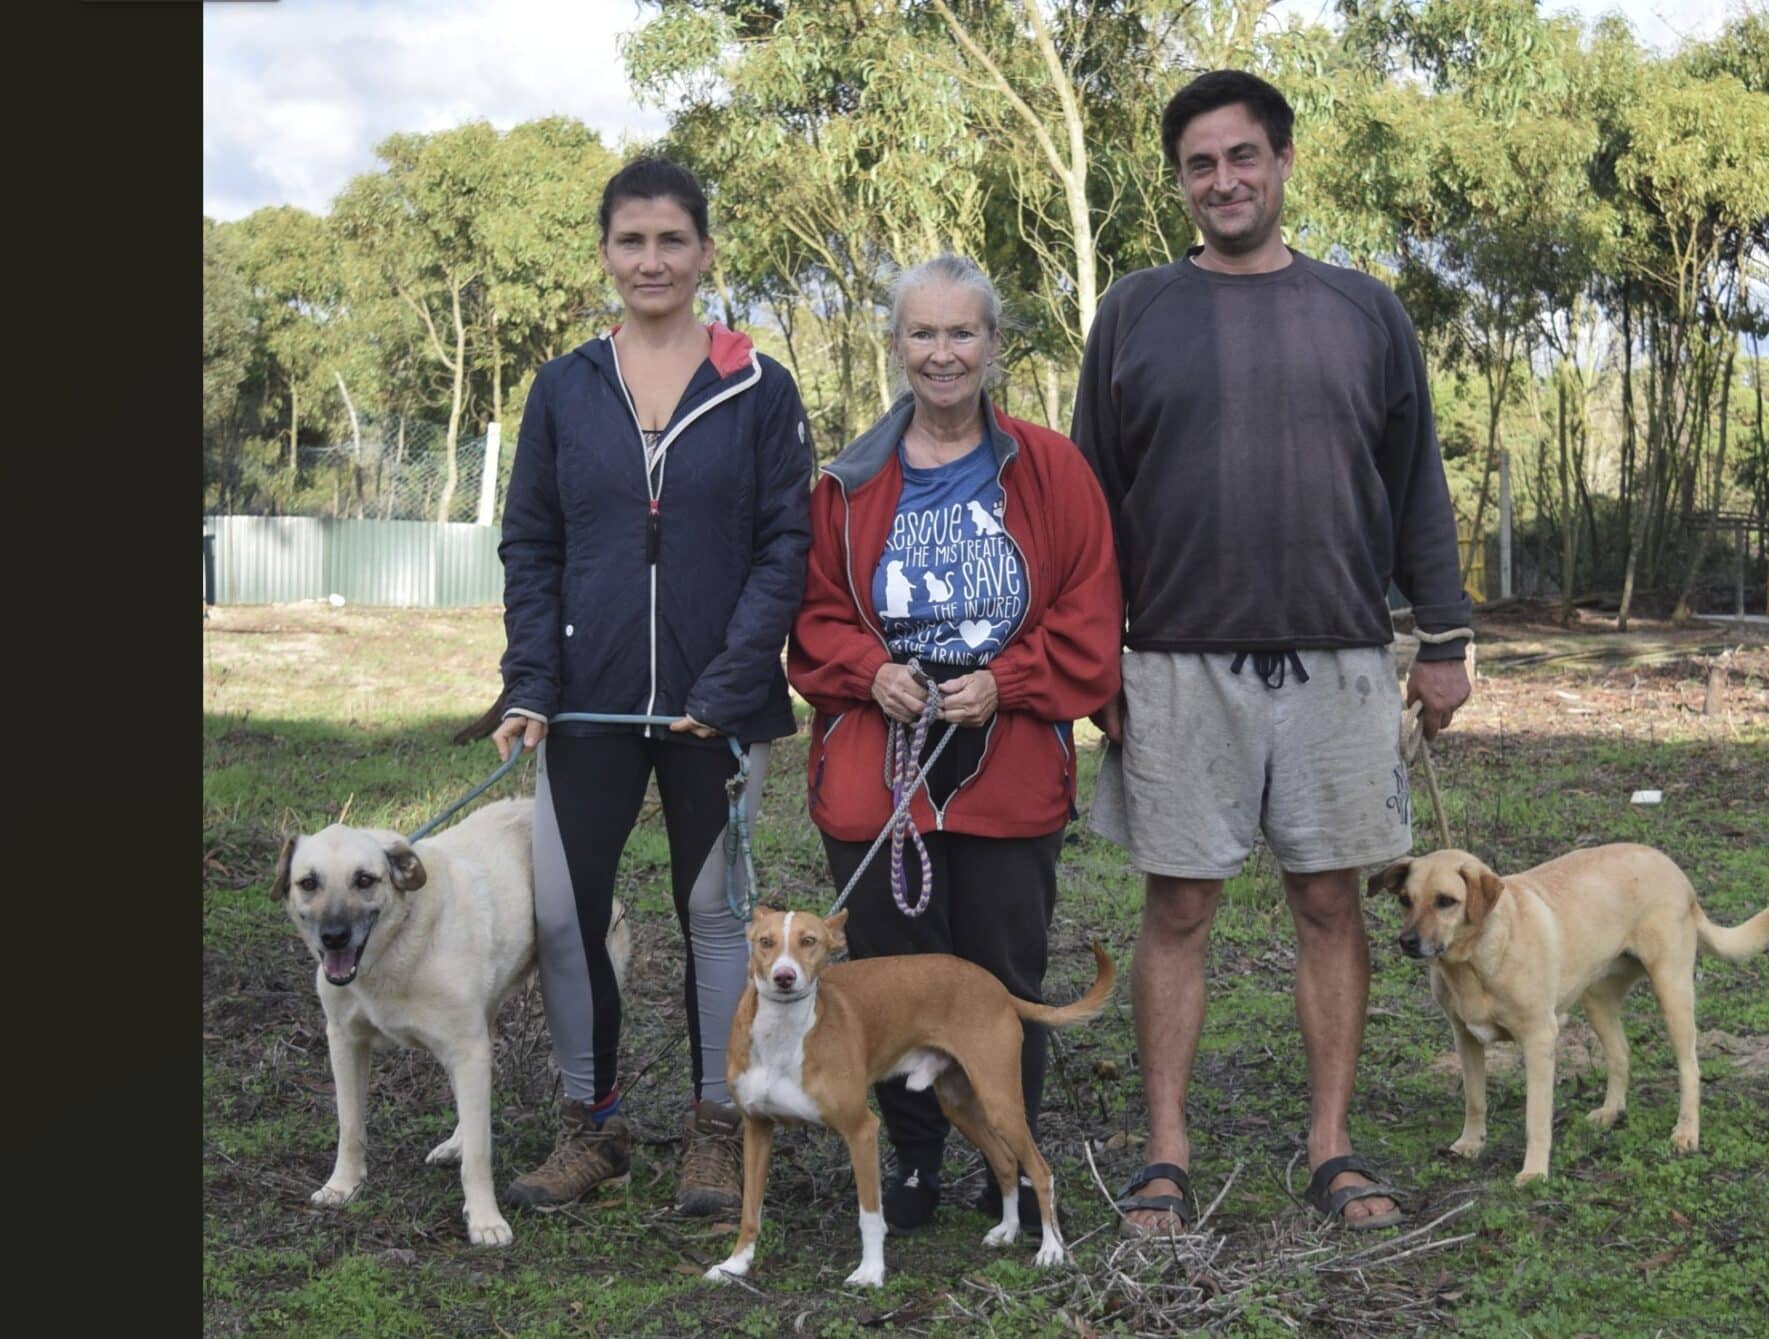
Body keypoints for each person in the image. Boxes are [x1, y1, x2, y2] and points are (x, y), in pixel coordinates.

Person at [1070, 70, 1474, 1235]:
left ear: (1284, 162)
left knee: (1329, 905)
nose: (1223, 181)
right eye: (1199, 164)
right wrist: (1095, 662)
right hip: (1175, 662)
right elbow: (1088, 503)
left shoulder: (1362, 309)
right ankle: (1163, 1149)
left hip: (1339, 660)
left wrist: (1441, 641)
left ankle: (1332, 1144)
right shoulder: (1137, 312)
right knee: (1178, 908)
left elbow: (1416, 488)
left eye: (1242, 156)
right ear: (1179, 182)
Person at [490, 156, 814, 1218]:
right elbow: (531, 543)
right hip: (582, 703)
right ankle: (592, 1124)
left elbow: (784, 546)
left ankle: (719, 1130)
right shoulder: (563, 386)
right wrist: (530, 682)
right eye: (630, 241)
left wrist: (725, 684)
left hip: (714, 709)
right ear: (604, 256)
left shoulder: (759, 386)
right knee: (563, 911)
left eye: (672, 239)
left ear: (705, 253)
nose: (651, 259)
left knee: (717, 917)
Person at [787, 254, 1121, 1234]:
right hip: (875, 776)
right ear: (895, 348)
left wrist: (1006, 682)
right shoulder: (847, 485)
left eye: (960, 332)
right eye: (921, 334)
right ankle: (918, 1163)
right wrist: (869, 671)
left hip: (1005, 768)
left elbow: (1090, 615)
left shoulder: (1051, 471)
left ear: (991, 345)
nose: (942, 353)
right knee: (889, 981)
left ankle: (1006, 1168)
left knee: (1000, 976)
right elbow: (811, 619)